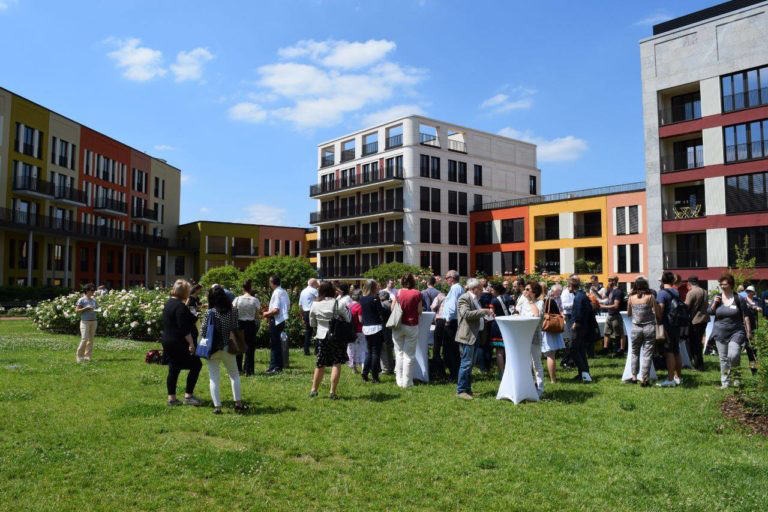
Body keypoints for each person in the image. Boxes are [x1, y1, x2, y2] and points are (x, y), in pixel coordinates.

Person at [201, 285, 246, 414]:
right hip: (228, 347)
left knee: (214, 378)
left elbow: (203, 332)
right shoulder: (233, 311)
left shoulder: (210, 312)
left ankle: (217, 407)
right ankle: (238, 403)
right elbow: (235, 327)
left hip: (213, 348)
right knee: (234, 375)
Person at [162, 280, 202, 406]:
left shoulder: (169, 303)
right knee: (196, 365)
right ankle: (188, 396)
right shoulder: (180, 306)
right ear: (184, 292)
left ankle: (172, 399)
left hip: (168, 340)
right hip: (178, 342)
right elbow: (184, 327)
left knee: (173, 369)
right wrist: (191, 343)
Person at [309, 281, 351, 398]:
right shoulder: (338, 304)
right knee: (336, 363)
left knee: (320, 364)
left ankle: (314, 390)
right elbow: (348, 319)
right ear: (333, 291)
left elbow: (312, 322)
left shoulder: (315, 304)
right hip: (336, 336)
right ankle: (332, 392)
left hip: (322, 336)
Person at [709, 273, 750, 389]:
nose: (722, 286)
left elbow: (745, 315)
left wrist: (749, 331)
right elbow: (710, 312)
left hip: (736, 331)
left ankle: (737, 377)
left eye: (724, 284)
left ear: (731, 285)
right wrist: (714, 304)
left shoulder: (738, 298)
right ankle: (725, 382)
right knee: (723, 358)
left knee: (734, 354)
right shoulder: (717, 297)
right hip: (720, 332)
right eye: (721, 284)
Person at [455, 278, 494, 399]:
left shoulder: (476, 299)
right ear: (473, 289)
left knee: (470, 364)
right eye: (480, 288)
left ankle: (467, 389)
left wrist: (485, 315)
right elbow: (466, 314)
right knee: (466, 363)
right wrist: (483, 311)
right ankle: (461, 391)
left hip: (475, 335)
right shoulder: (464, 298)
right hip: (467, 336)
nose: (482, 290)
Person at [390, 274, 423, 388]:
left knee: (398, 353)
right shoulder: (417, 293)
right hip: (411, 325)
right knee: (409, 355)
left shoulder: (398, 292)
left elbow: (392, 308)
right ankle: (407, 382)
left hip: (398, 325)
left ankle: (399, 381)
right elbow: (419, 311)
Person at [627, 277, 659, 386]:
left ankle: (634, 376)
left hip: (636, 327)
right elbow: (657, 312)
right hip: (649, 327)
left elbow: (629, 314)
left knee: (634, 352)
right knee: (647, 354)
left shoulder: (631, 298)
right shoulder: (650, 297)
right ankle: (644, 379)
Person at [656, 271, 683, 387]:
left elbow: (660, 309)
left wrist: (657, 320)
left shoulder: (661, 293)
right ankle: (678, 377)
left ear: (662, 280)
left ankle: (670, 379)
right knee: (676, 351)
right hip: (676, 325)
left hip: (667, 325)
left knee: (669, 352)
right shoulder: (675, 291)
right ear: (673, 281)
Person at [519, 281, 546, 397]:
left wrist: (530, 301)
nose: (524, 291)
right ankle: (528, 387)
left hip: (534, 336)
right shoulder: (523, 302)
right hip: (523, 335)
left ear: (533, 292)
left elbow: (536, 316)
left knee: (536, 363)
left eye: (527, 289)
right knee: (526, 363)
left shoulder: (539, 303)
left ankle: (540, 389)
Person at [359, 279, 388, 382]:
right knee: (376, 352)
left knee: (369, 352)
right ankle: (375, 376)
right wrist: (389, 309)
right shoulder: (374, 298)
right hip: (376, 327)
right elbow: (381, 311)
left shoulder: (362, 298)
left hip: (366, 327)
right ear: (373, 287)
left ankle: (365, 373)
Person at [232, 280, 261, 376]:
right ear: (250, 288)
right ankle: (249, 370)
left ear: (243, 289)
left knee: (239, 347)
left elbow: (233, 312)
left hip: (240, 324)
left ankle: (238, 369)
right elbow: (257, 316)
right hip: (250, 325)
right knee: (250, 348)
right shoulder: (255, 300)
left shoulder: (237, 299)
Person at [569, 276, 594, 383]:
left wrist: (576, 323)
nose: (567, 287)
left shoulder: (578, 297)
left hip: (579, 327)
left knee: (574, 349)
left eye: (568, 285)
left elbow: (579, 312)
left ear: (571, 285)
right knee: (580, 350)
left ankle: (584, 372)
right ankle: (583, 373)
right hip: (583, 326)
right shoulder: (581, 295)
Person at [264, 275, 290, 374]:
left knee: (275, 344)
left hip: (275, 320)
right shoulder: (283, 291)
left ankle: (276, 367)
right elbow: (287, 305)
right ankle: (274, 365)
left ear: (272, 283)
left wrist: (266, 314)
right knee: (276, 344)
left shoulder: (276, 293)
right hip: (281, 320)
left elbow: (276, 310)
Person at [443, 270, 464, 382]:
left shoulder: (455, 288)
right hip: (455, 320)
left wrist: (448, 319)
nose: (446, 280)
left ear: (452, 278)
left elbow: (452, 306)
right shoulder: (458, 288)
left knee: (449, 348)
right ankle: (455, 372)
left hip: (451, 321)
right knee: (454, 348)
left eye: (447, 278)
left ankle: (453, 373)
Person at [542, 285, 567, 383]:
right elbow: (558, 314)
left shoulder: (533, 301)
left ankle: (537, 378)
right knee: (551, 354)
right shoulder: (549, 301)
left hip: (538, 328)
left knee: (535, 356)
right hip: (549, 329)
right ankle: (553, 379)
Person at [684, 276, 708, 371]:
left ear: (689, 284)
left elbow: (686, 307)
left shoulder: (691, 292)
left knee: (694, 344)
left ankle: (698, 365)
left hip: (695, 321)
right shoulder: (704, 291)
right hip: (704, 319)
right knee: (698, 343)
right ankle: (700, 364)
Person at [489, 283, 513, 378]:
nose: (491, 291)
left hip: (498, 325)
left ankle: (502, 373)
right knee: (510, 349)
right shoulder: (510, 298)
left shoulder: (494, 300)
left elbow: (492, 313)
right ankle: (511, 371)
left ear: (497, 290)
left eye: (492, 290)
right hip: (509, 325)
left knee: (499, 351)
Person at [600, 277, 626, 356]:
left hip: (616, 315)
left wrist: (604, 307)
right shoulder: (610, 290)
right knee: (606, 333)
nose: (608, 282)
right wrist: (594, 291)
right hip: (610, 314)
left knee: (620, 333)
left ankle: (621, 350)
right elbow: (602, 297)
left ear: (614, 281)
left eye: (610, 281)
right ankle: (605, 349)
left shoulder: (617, 292)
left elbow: (616, 305)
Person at [75, 283, 98, 363]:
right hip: (85, 322)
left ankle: (87, 357)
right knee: (84, 339)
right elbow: (77, 310)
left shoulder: (94, 300)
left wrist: (98, 310)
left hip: (94, 321)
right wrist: (85, 308)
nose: (93, 291)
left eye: (93, 290)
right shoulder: (82, 300)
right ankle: (79, 357)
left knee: (91, 340)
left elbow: (96, 308)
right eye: (91, 290)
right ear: (86, 291)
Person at [347, 290, 367, 374]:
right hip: (359, 330)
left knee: (352, 349)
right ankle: (363, 367)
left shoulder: (348, 305)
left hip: (350, 331)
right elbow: (360, 320)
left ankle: (353, 368)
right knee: (363, 349)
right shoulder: (359, 306)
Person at [299, 278, 319, 356]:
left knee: (308, 331)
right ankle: (317, 350)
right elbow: (320, 300)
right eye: (316, 283)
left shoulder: (303, 291)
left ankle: (306, 350)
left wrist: (302, 315)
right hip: (313, 311)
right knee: (318, 331)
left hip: (306, 312)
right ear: (313, 283)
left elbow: (300, 305)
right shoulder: (314, 291)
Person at [743, 285, 760, 376]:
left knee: (753, 351)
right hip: (744, 328)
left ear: (753, 292)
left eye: (750, 291)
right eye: (747, 291)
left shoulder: (757, 300)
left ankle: (754, 370)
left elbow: (761, 309)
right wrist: (753, 307)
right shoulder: (743, 301)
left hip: (754, 328)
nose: (748, 292)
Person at [430, 289, 447, 379]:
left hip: (440, 321)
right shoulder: (449, 297)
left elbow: (433, 307)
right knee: (446, 346)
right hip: (448, 321)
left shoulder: (438, 297)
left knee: (436, 347)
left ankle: (438, 371)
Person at [378, 290, 395, 374]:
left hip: (383, 327)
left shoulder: (382, 305)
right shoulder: (392, 304)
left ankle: (385, 368)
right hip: (391, 328)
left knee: (383, 349)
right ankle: (391, 367)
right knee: (390, 349)